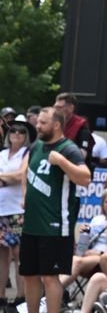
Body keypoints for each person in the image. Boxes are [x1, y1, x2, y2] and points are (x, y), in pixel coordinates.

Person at [20, 107, 92, 313]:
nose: (37, 126)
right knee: (29, 275)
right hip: (31, 225)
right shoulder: (36, 146)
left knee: (50, 277)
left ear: (57, 125)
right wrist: (25, 195)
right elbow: (26, 172)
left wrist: (61, 162)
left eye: (43, 123)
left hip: (55, 226)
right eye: (38, 122)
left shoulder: (68, 149)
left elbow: (85, 178)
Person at [64, 188, 107, 285]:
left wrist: (97, 253)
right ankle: (53, 291)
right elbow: (86, 244)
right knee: (71, 260)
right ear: (103, 205)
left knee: (77, 262)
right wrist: (84, 234)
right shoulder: (96, 219)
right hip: (88, 256)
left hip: (105, 259)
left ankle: (53, 293)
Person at [0, 115, 32, 300]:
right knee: (1, 253)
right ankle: (1, 296)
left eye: (21, 131)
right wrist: (9, 178)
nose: (16, 133)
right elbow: (15, 176)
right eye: (13, 130)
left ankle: (21, 296)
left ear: (26, 135)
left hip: (17, 208)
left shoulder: (28, 153)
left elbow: (21, 175)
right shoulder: (2, 154)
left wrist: (3, 178)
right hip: (1, 208)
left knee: (19, 252)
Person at [53, 95, 95, 170]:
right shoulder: (55, 125)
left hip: (75, 171)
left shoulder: (80, 126)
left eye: (59, 107)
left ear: (71, 108)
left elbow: (82, 155)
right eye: (55, 107)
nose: (55, 111)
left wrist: (61, 159)